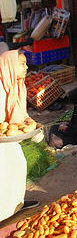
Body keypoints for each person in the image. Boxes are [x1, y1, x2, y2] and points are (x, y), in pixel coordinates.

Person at [0, 50, 40, 221]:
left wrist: (31, 124)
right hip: (3, 138)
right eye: (22, 64)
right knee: (4, 172)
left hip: (7, 138)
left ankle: (16, 204)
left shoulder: (16, 84)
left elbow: (19, 116)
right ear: (10, 65)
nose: (26, 67)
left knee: (18, 165)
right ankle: (4, 212)